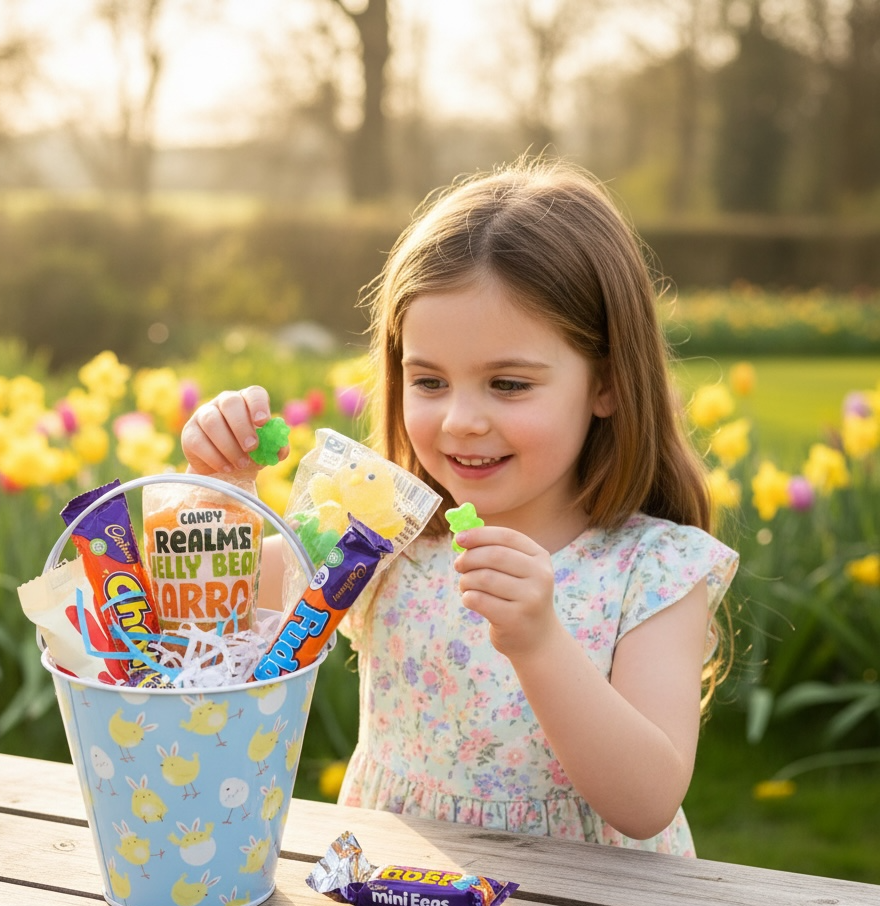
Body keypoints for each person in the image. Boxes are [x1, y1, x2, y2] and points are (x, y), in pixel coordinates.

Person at [181, 158, 738, 856]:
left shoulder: (650, 569)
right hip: (402, 900)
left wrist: (539, 644)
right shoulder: (375, 538)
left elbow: (646, 802)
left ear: (608, 384)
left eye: (507, 384)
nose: (460, 421)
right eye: (431, 381)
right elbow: (203, 627)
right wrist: (221, 493)